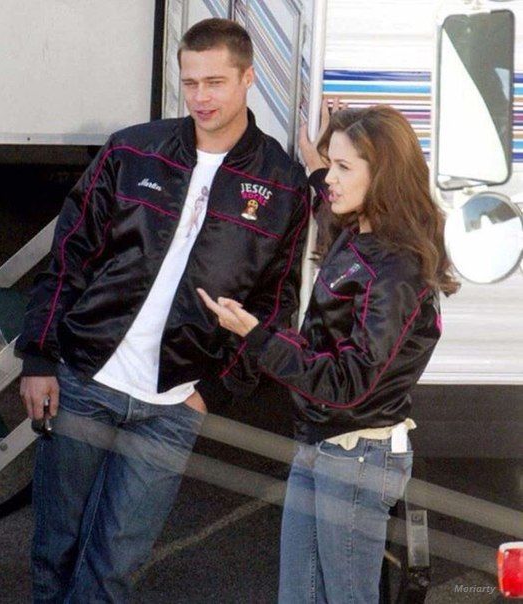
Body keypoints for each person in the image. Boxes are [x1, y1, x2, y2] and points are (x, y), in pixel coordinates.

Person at [16, 18, 308, 603]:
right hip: (85, 378)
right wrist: (39, 357)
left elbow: (274, 304)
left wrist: (215, 394)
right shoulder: (132, 150)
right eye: (190, 81)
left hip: (174, 404)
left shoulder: (281, 185)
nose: (201, 97)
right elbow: (69, 256)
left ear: (248, 78)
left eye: (216, 82)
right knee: (55, 548)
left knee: (116, 567)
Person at [198, 101, 459, 603]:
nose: (329, 179)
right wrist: (315, 154)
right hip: (322, 443)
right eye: (331, 165)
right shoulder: (357, 227)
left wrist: (258, 337)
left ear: (381, 176)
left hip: (358, 455)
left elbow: (348, 380)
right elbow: (325, 190)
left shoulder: (396, 269)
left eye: (344, 167)